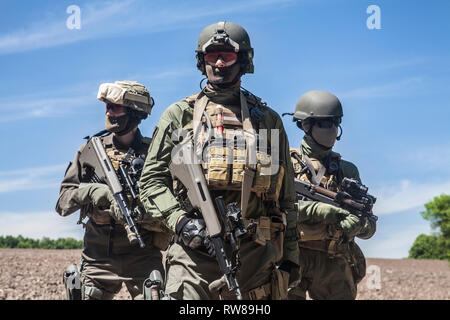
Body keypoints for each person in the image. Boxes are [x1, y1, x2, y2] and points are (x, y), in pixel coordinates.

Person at [139, 22, 299, 300]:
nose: (220, 63)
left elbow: (287, 197)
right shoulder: (179, 115)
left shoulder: (268, 120)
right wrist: (180, 222)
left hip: (255, 253)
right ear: (202, 62)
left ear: (244, 61)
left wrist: (292, 257)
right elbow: (151, 182)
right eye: (212, 56)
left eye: (228, 55)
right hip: (193, 255)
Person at [56, 80, 170, 300]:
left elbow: (172, 206)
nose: (109, 112)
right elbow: (62, 203)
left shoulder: (153, 153)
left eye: (115, 107)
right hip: (98, 257)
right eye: (107, 107)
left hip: (143, 254)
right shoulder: (90, 151)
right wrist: (91, 192)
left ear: (134, 112)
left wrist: (142, 214)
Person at [286, 90, 376, 300]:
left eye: (335, 123)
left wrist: (358, 225)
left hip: (334, 259)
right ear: (305, 125)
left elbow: (370, 226)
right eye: (324, 124)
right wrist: (318, 210)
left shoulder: (347, 171)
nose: (332, 130)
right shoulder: (285, 164)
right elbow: (275, 210)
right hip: (291, 255)